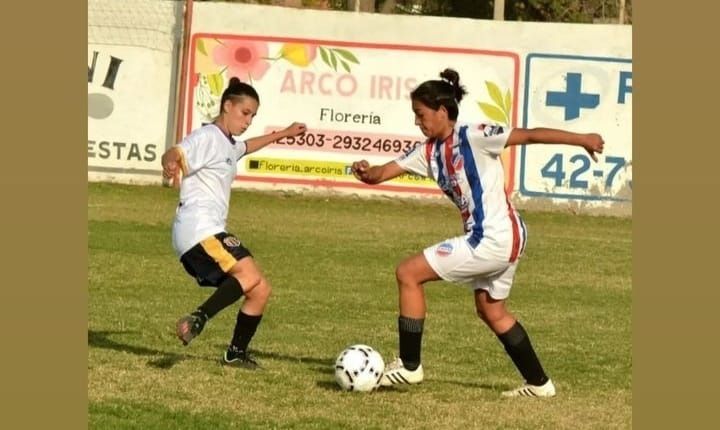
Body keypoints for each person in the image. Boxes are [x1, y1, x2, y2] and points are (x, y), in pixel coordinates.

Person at [350, 68, 604, 397]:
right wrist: (365, 172)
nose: (417, 121)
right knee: (491, 310)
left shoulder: (476, 135)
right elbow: (381, 174)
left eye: (421, 114)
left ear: (442, 111)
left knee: (408, 273)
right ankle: (539, 384)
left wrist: (582, 139)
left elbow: (529, 136)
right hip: (507, 236)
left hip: (493, 237)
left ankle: (410, 366)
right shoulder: (427, 152)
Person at [161, 77, 306, 368]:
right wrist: (170, 162)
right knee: (249, 274)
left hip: (205, 232)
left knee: (260, 289)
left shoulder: (227, 144)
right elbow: (177, 151)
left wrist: (284, 133)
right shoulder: (208, 137)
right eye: (245, 113)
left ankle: (236, 353)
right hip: (199, 229)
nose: (249, 121)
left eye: (253, 116)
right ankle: (198, 318)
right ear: (227, 106)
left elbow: (246, 147)